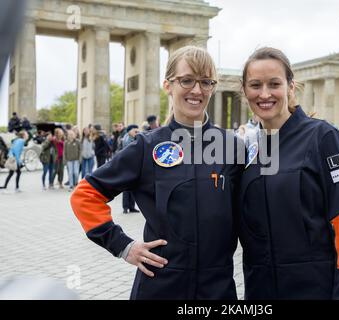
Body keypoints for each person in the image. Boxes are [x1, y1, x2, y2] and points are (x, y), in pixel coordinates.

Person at [70, 46, 244, 300]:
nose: (197, 90)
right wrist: (123, 246)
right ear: (168, 85)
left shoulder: (232, 147)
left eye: (206, 82)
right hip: (161, 285)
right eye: (187, 80)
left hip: (217, 288)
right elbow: (85, 195)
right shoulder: (146, 146)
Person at [239, 47, 339, 299]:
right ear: (244, 91)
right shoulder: (248, 149)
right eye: (255, 85)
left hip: (314, 288)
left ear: (291, 87)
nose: (264, 94)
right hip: (259, 290)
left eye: (274, 84)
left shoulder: (323, 137)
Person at [121, 124, 140, 214]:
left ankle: (131, 206)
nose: (136, 132)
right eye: (135, 131)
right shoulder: (126, 139)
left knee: (133, 186)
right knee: (126, 188)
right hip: (126, 165)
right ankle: (125, 207)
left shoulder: (133, 138)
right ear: (129, 131)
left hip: (134, 165)